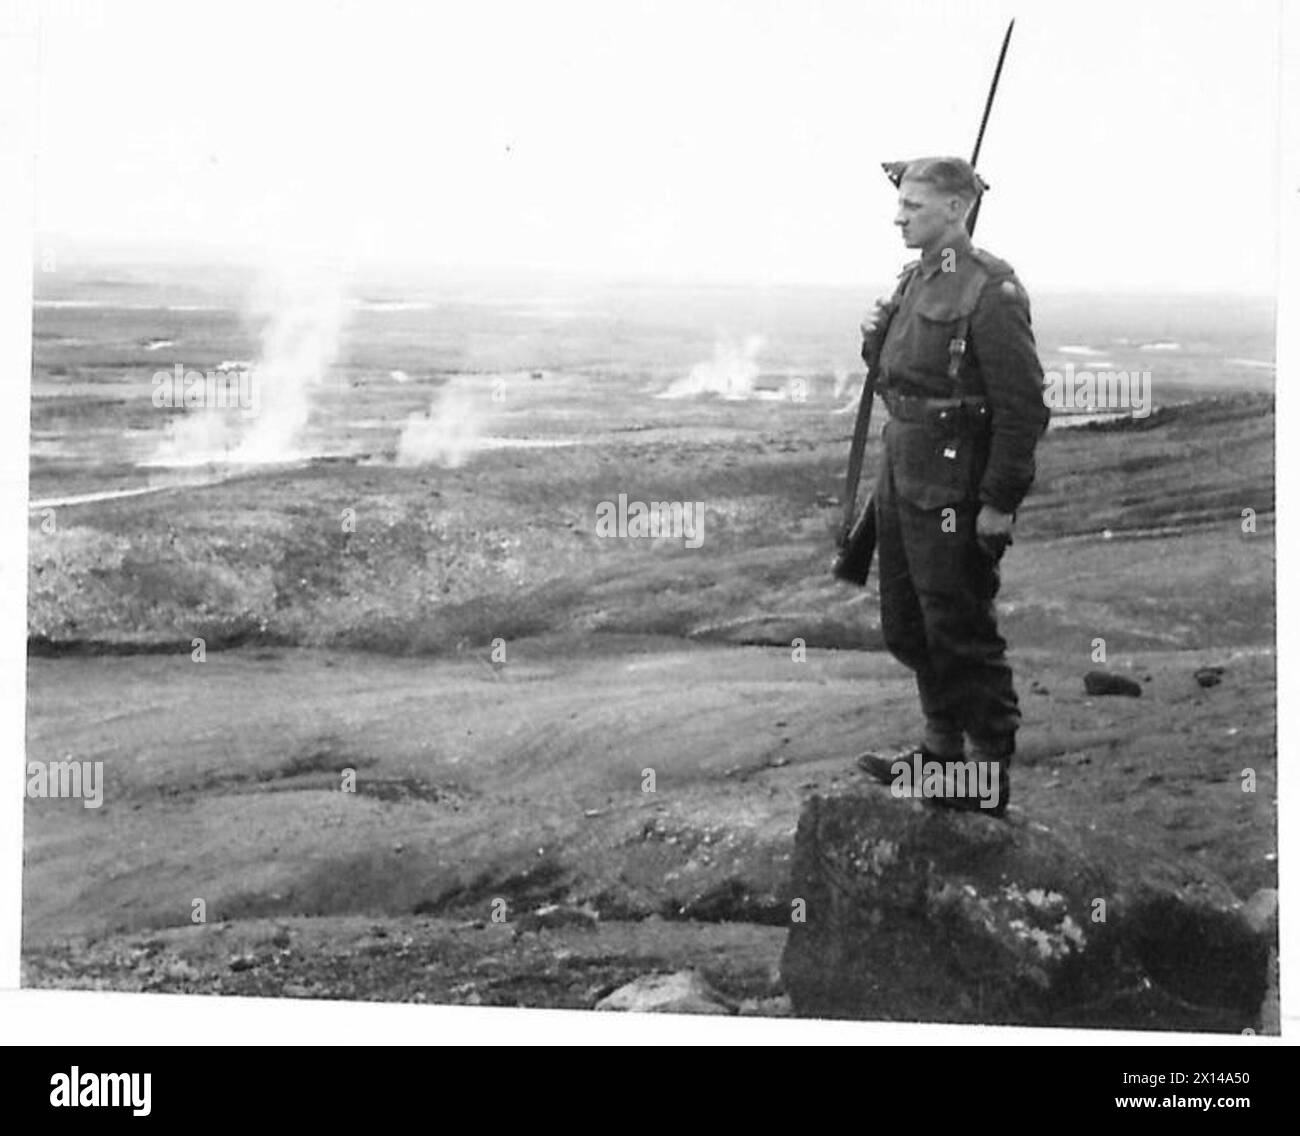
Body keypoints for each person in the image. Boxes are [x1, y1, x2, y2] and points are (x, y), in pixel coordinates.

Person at [854, 156, 1048, 816]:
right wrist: (875, 341)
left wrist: (999, 501)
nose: (899, 214)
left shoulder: (991, 290)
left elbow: (1023, 407)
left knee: (959, 623)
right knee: (907, 623)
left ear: (956, 209)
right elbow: (902, 373)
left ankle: (986, 772)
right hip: (903, 467)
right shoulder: (915, 278)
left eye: (913, 204)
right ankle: (939, 756)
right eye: (900, 203)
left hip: (954, 481)